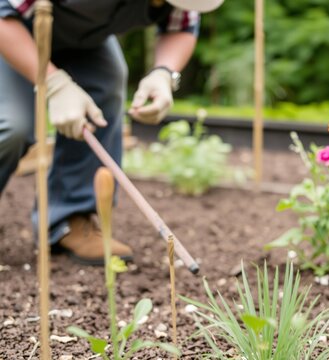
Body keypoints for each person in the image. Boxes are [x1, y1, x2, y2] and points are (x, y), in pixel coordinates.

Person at [0, 0, 223, 265]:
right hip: (14, 32)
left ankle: (69, 219)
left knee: (105, 86)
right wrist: (55, 83)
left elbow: (183, 25)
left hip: (84, 41)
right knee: (13, 125)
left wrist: (164, 73)